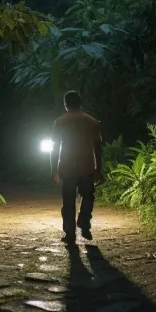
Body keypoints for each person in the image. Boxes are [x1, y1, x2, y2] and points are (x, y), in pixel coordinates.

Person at [49, 90, 103, 243]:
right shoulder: (91, 121)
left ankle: (70, 233)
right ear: (80, 103)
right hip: (87, 167)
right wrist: (99, 169)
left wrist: (54, 169)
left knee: (68, 202)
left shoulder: (60, 122)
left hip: (67, 168)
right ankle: (84, 223)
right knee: (88, 197)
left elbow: (55, 148)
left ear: (65, 104)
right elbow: (98, 147)